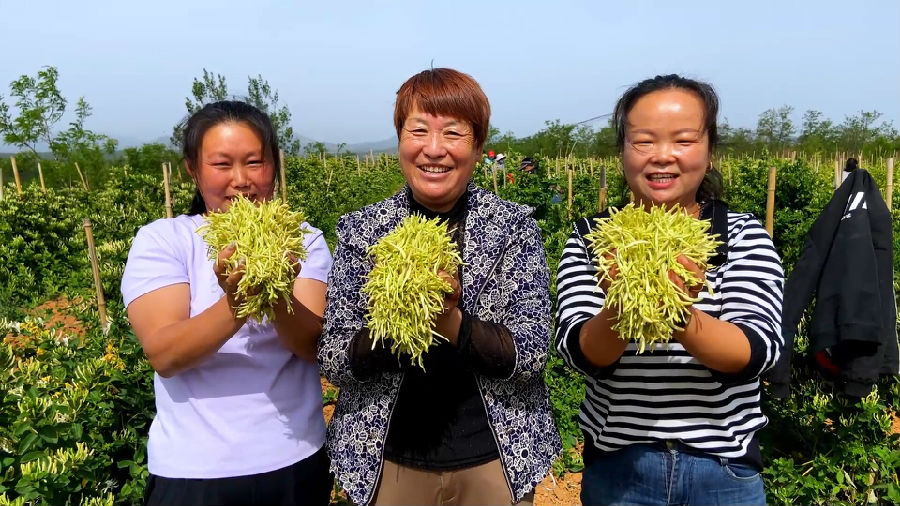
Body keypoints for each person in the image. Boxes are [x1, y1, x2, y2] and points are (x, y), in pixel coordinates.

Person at [319, 68, 560, 506]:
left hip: (494, 464)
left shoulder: (514, 228)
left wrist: (450, 320)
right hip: (388, 465)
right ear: (399, 140)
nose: (434, 149)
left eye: (453, 133)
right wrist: (395, 318)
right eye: (418, 131)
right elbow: (334, 360)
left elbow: (531, 353)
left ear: (478, 147)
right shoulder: (363, 231)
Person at [554, 74, 784, 506]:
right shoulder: (594, 237)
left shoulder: (741, 235)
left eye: (683, 140)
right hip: (621, 469)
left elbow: (757, 352)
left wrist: (675, 311)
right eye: (643, 141)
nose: (663, 157)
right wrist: (623, 306)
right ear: (623, 151)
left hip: (721, 471)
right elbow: (583, 354)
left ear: (710, 151)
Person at [121, 100, 333, 506]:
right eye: (222, 164)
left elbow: (312, 346)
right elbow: (165, 354)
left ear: (274, 164)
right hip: (195, 472)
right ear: (192, 169)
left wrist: (278, 291)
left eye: (255, 162)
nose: (241, 180)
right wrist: (237, 305)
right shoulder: (165, 240)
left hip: (294, 460)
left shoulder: (302, 239)